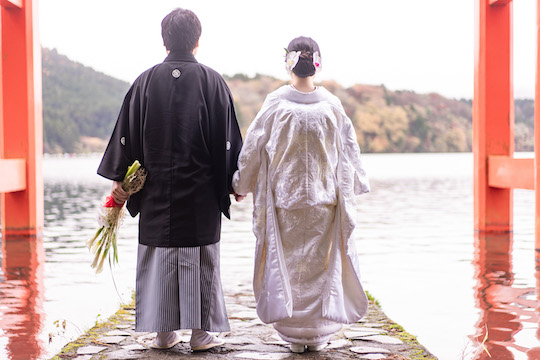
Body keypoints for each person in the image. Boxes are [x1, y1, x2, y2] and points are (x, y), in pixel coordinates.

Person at [97, 8, 242, 351]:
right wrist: (235, 183)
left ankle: (163, 332)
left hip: (157, 193)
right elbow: (228, 142)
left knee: (160, 257)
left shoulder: (144, 82)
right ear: (197, 41)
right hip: (201, 195)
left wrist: (121, 181)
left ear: (164, 41)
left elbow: (125, 138)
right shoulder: (212, 82)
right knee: (200, 257)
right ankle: (201, 334)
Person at [232, 36, 370, 353]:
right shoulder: (332, 106)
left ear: (287, 62)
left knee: (288, 268)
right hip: (325, 202)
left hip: (286, 203)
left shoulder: (276, 105)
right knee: (321, 269)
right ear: (318, 64)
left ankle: (293, 334)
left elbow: (252, 149)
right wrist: (358, 183)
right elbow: (349, 153)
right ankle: (319, 333)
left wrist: (241, 184)